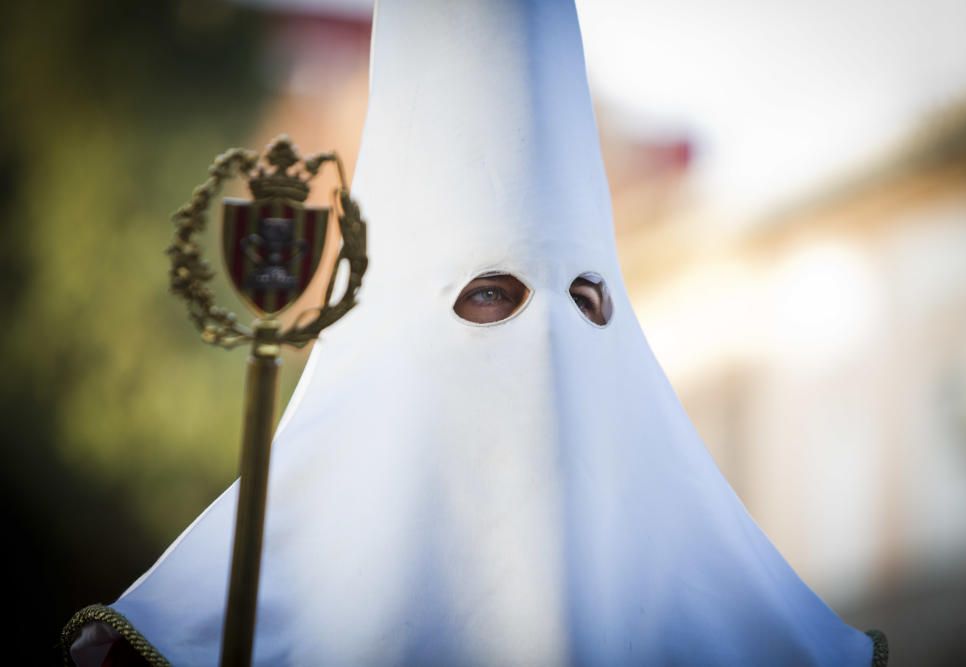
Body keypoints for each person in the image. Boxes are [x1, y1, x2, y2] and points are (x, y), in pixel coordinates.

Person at [64, 0, 887, 664]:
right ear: (399, 321)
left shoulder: (745, 625)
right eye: (493, 295)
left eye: (589, 301)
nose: (551, 342)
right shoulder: (224, 616)